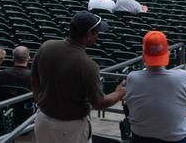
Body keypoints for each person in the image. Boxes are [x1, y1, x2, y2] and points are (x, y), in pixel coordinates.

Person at [31, 11, 126, 143]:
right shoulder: (88, 65)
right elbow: (99, 103)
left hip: (43, 121)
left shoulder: (46, 46)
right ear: (88, 35)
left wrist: (40, 102)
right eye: (96, 32)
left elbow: (34, 79)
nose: (97, 36)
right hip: (70, 129)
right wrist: (119, 93)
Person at [125, 31, 186, 143]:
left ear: (144, 55)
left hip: (140, 139)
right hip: (175, 140)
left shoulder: (132, 78)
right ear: (167, 53)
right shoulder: (183, 76)